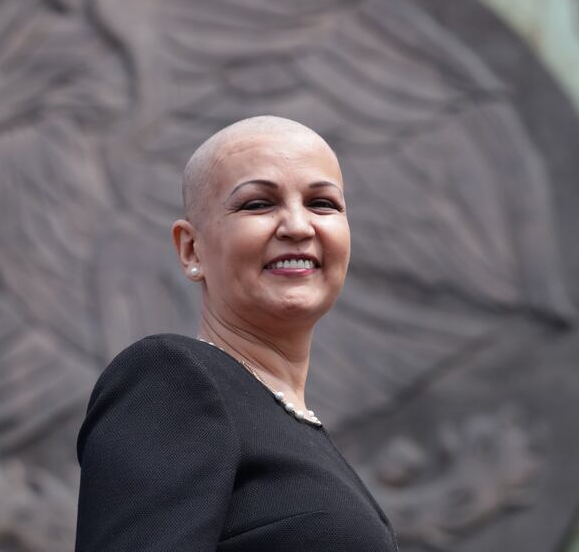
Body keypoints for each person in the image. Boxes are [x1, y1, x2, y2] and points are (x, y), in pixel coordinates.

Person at [75, 115, 398, 551]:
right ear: (192, 249)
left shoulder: (293, 427)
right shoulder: (171, 383)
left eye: (322, 204)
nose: (299, 227)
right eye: (258, 204)